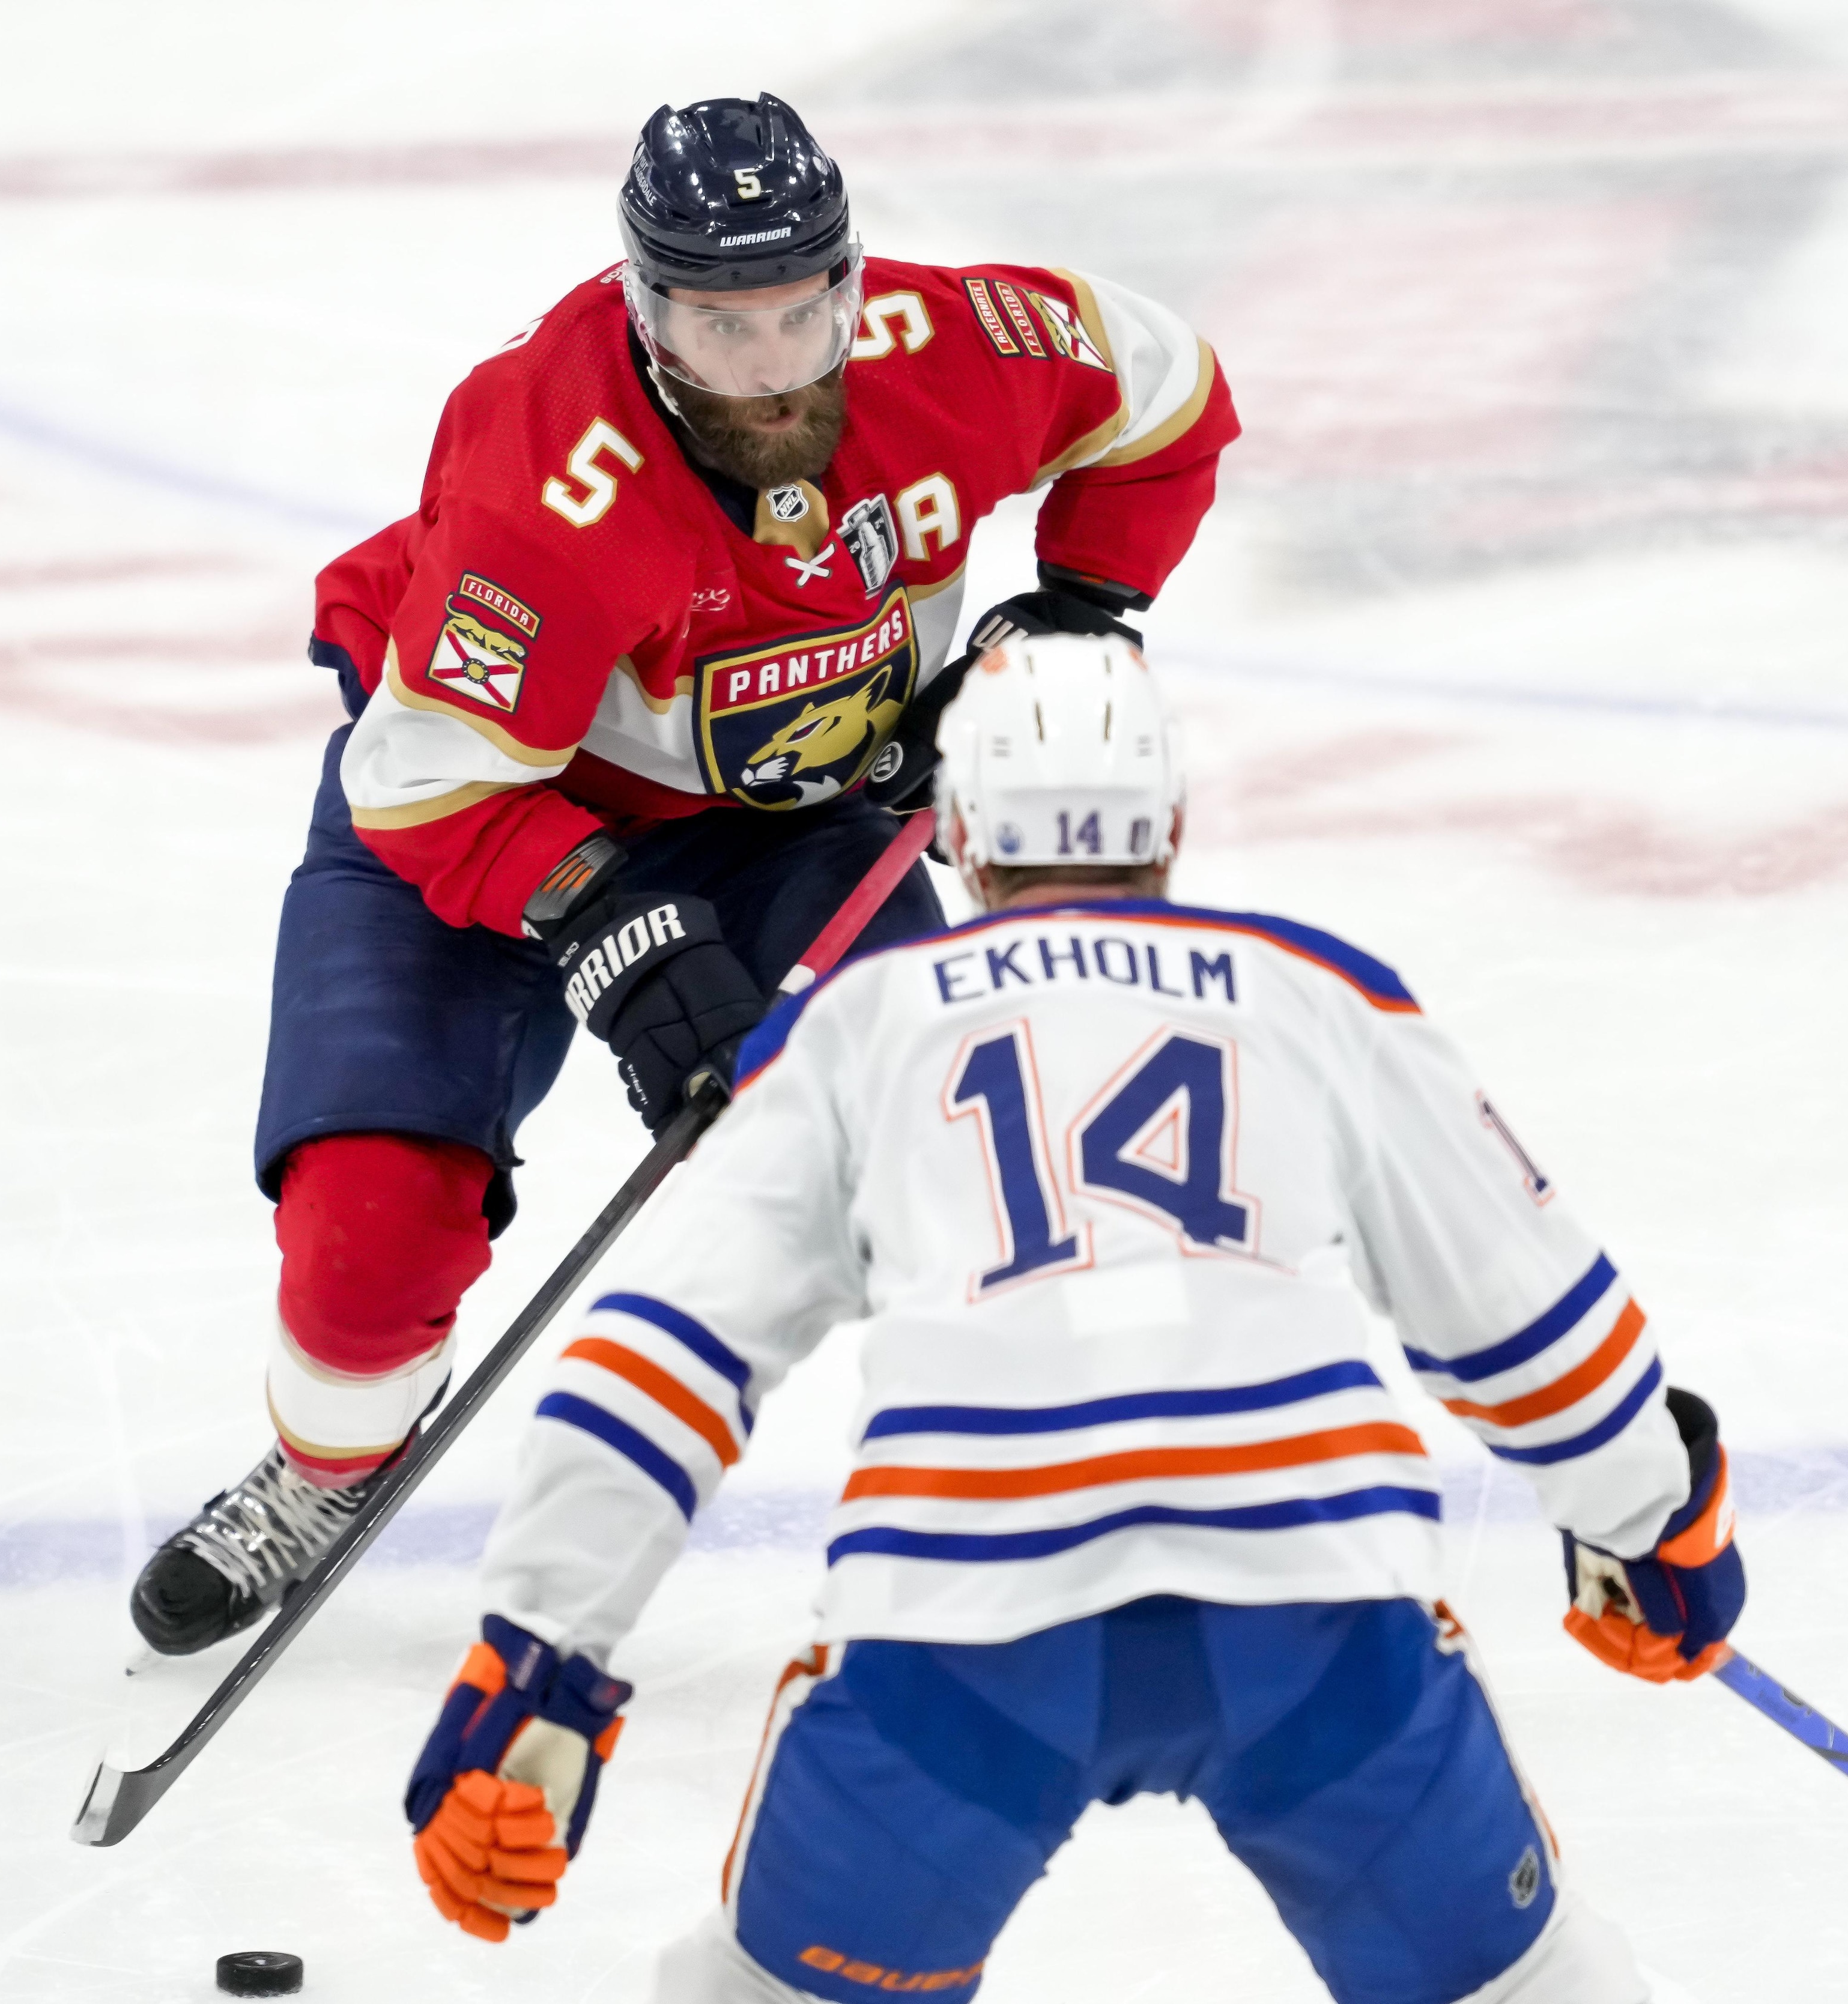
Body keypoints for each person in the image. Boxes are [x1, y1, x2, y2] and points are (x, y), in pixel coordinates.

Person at [401, 638, 1748, 2003]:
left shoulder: (859, 1022)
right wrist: (1652, 1516)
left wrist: (534, 1660)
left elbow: (663, 1363)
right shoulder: (1316, 991)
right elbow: (1523, 1315)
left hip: (963, 1626)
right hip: (1315, 1614)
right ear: (1167, 824)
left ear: (963, 838)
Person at [129, 94, 1239, 1654]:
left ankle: (1035, 1484)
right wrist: (613, 928)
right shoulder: (546, 471)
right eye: (724, 331)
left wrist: (1083, 602)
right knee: (367, 1235)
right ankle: (328, 1463)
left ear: (854, 281)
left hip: (788, 825)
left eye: (806, 313)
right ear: (647, 309)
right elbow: (423, 778)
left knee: (945, 1137)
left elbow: (1169, 392)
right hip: (477, 816)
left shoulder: (961, 347)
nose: (777, 367)